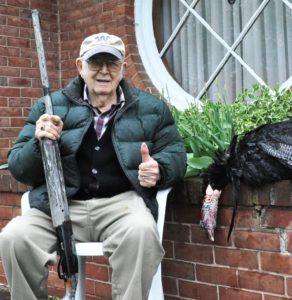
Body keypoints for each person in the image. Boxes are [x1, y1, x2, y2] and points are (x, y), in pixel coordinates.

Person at [0, 32, 186, 300]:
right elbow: (18, 168)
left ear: (123, 68)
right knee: (15, 237)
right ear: (80, 67)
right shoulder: (50, 106)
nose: (103, 71)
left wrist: (160, 169)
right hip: (59, 204)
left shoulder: (151, 108)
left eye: (111, 63)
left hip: (121, 205)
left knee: (142, 234)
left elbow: (177, 154)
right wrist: (38, 144)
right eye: (95, 63)